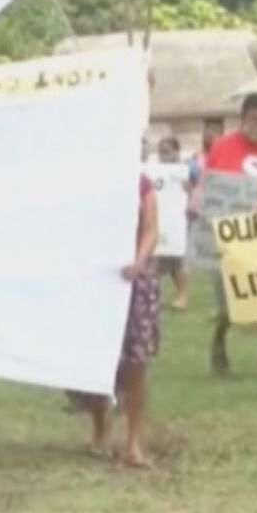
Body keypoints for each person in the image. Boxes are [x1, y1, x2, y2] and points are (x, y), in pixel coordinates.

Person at [68, 167, 161, 468]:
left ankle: (133, 441)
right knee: (95, 359)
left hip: (134, 281)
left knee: (136, 362)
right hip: (93, 281)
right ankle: (100, 427)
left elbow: (151, 229)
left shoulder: (141, 183)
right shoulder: (85, 181)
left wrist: (138, 261)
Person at [201, 93, 257, 377]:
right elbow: (207, 186)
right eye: (255, 119)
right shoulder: (222, 147)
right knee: (229, 307)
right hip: (228, 237)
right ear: (242, 119)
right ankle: (219, 341)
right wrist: (196, 203)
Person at [150, 135, 192, 310]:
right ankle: (154, 297)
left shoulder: (188, 169)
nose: (164, 155)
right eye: (161, 152)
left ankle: (182, 296)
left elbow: (196, 191)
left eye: (167, 152)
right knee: (156, 261)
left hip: (180, 221)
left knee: (179, 261)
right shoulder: (154, 170)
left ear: (177, 151)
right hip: (160, 220)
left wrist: (188, 189)